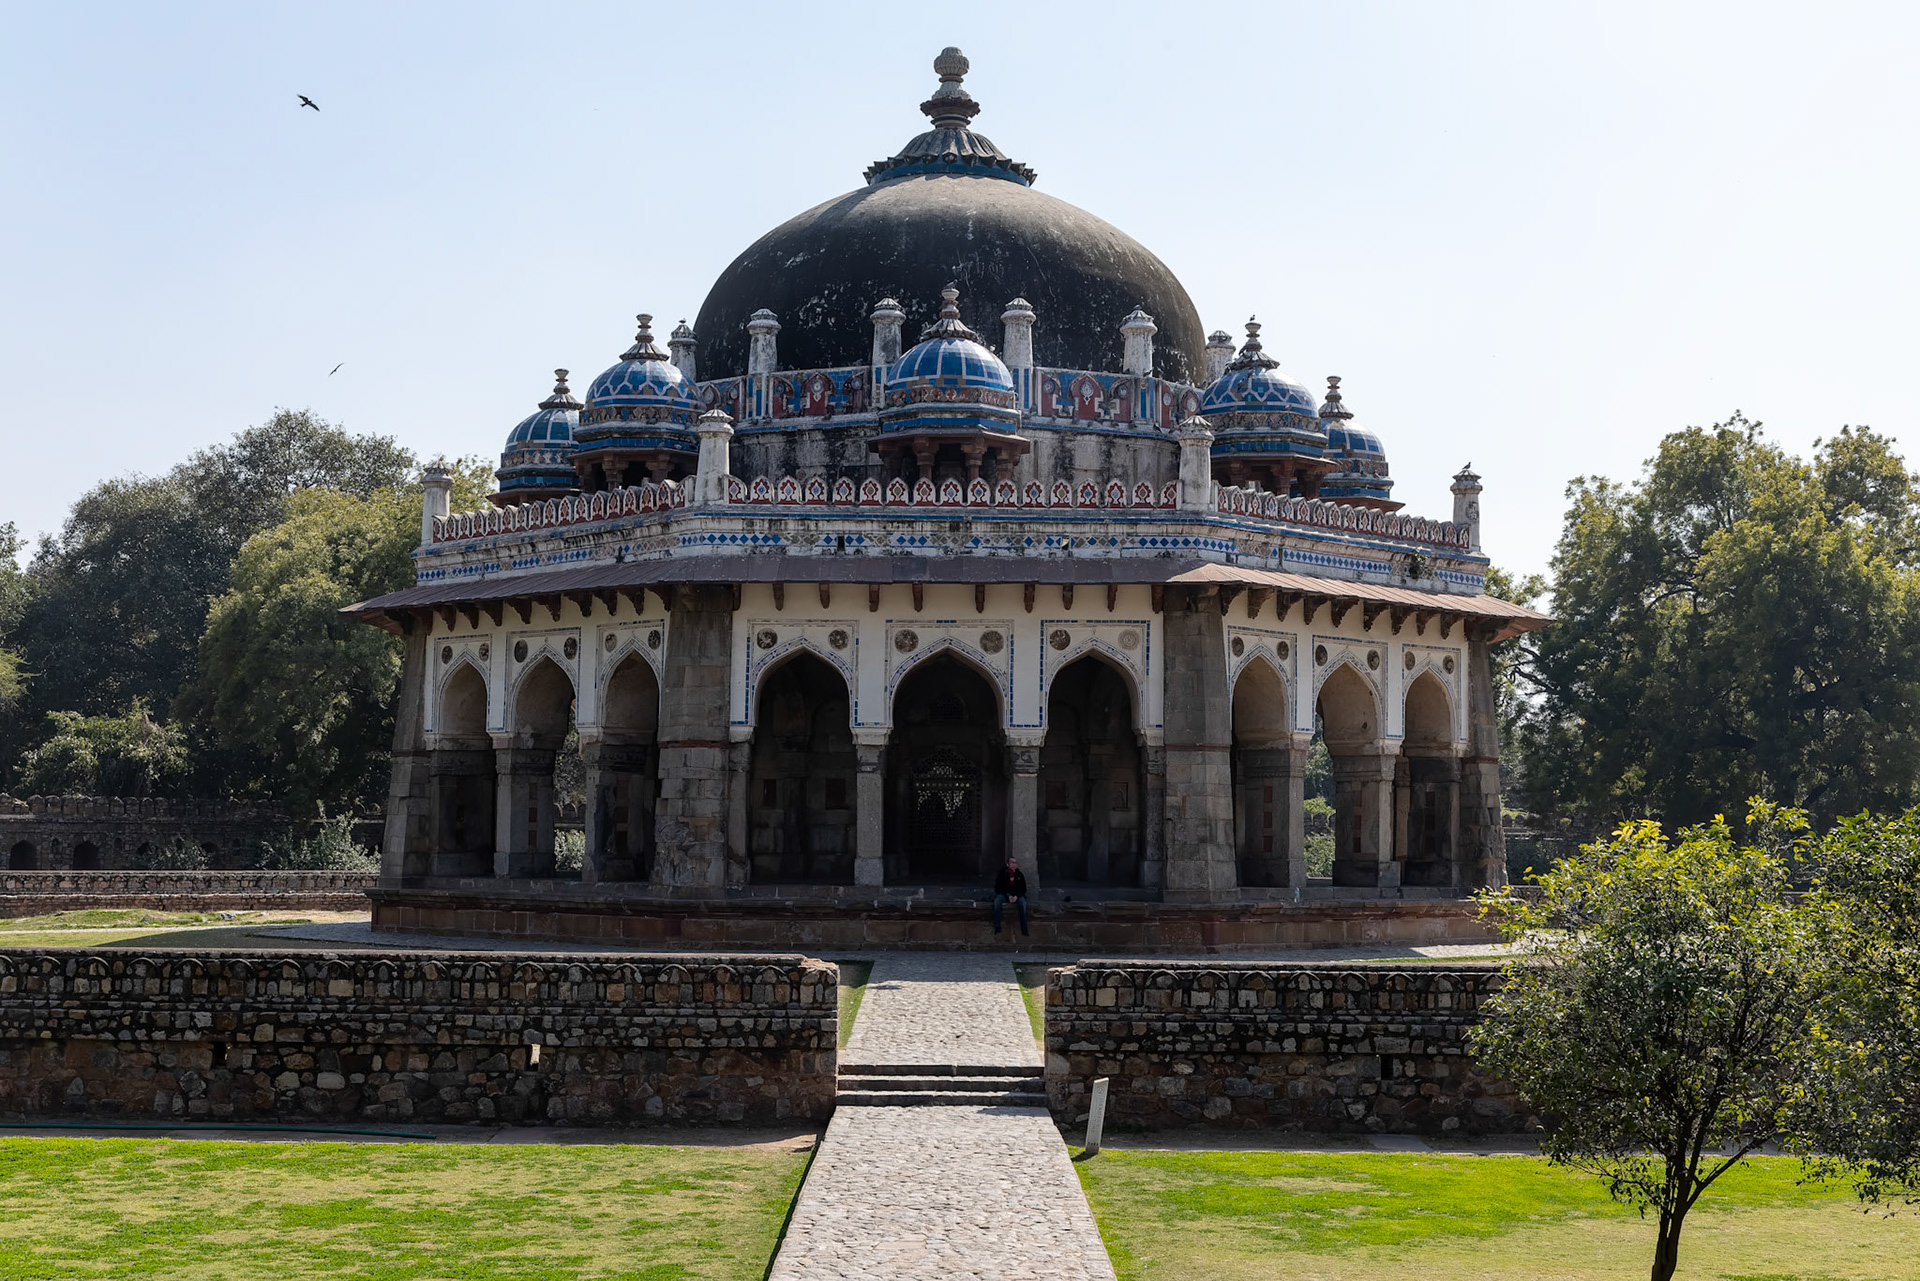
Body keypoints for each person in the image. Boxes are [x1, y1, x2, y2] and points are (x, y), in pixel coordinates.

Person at [992, 857, 1029, 937]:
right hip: (1005, 894)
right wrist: (1008, 895)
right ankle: (997, 927)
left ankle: (1024, 929)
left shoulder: (1019, 875)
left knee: (1023, 904)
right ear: (1008, 864)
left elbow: (1023, 889)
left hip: (1017, 895)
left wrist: (1016, 896)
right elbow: (998, 887)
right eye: (1012, 862)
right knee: (997, 902)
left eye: (1015, 863)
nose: (1013, 864)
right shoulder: (1002, 873)